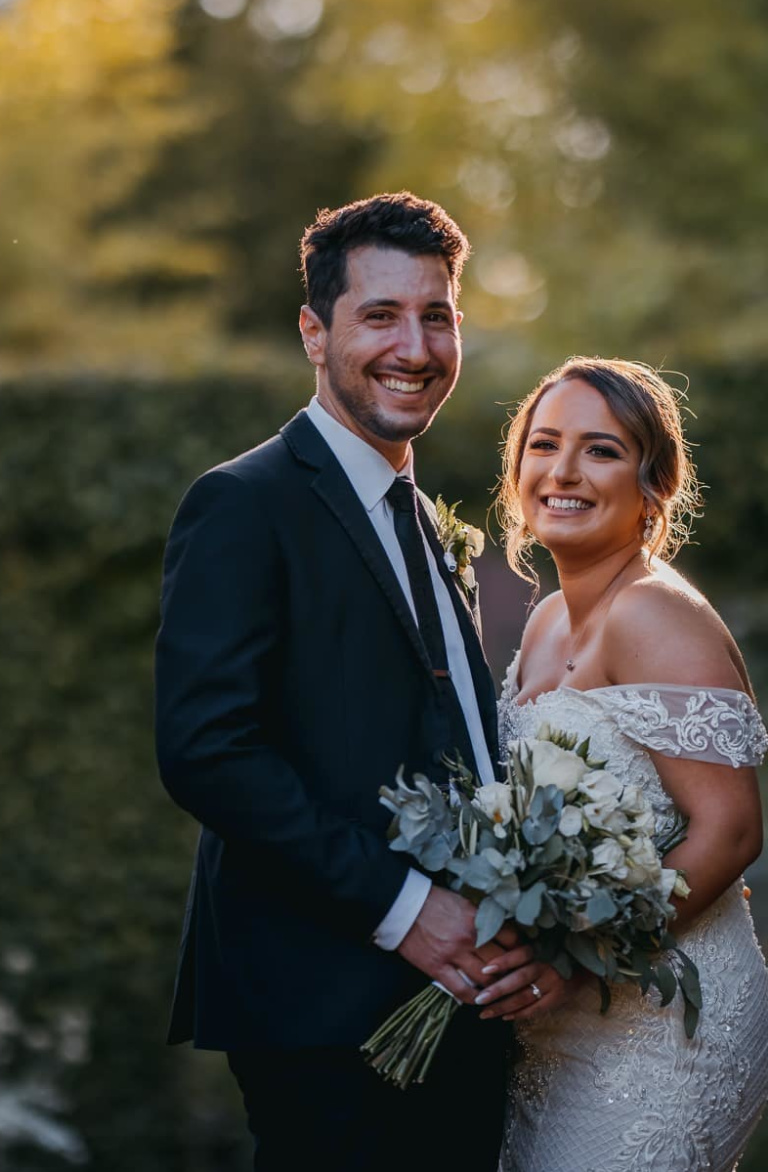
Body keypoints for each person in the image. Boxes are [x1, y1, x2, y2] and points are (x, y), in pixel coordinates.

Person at [154, 192, 523, 1171]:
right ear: (314, 333)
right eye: (380, 315)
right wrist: (409, 908)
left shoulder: (421, 516)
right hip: (322, 1004)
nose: (415, 343)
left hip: (461, 995)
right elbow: (206, 752)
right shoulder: (242, 502)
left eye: (435, 315)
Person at [470, 357, 768, 1171]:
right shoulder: (544, 624)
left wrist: (579, 961)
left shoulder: (653, 612)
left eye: (600, 451)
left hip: (662, 1022)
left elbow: (732, 830)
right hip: (557, 1028)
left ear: (655, 484)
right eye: (544, 445)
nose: (563, 472)